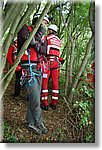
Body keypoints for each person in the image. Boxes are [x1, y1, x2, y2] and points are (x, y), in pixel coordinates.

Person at [17, 13, 50, 135]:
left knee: (34, 98)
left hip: (38, 68)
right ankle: (39, 123)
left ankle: (30, 123)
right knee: (35, 99)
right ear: (37, 21)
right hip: (28, 68)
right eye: (44, 23)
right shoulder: (25, 29)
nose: (45, 26)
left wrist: (37, 42)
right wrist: (38, 38)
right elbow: (30, 42)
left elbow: (43, 50)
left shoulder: (42, 36)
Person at [41, 24, 61, 111]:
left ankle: (44, 103)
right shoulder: (59, 40)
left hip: (47, 62)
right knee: (55, 82)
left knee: (44, 82)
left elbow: (43, 49)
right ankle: (54, 103)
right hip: (56, 63)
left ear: (50, 30)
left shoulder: (46, 38)